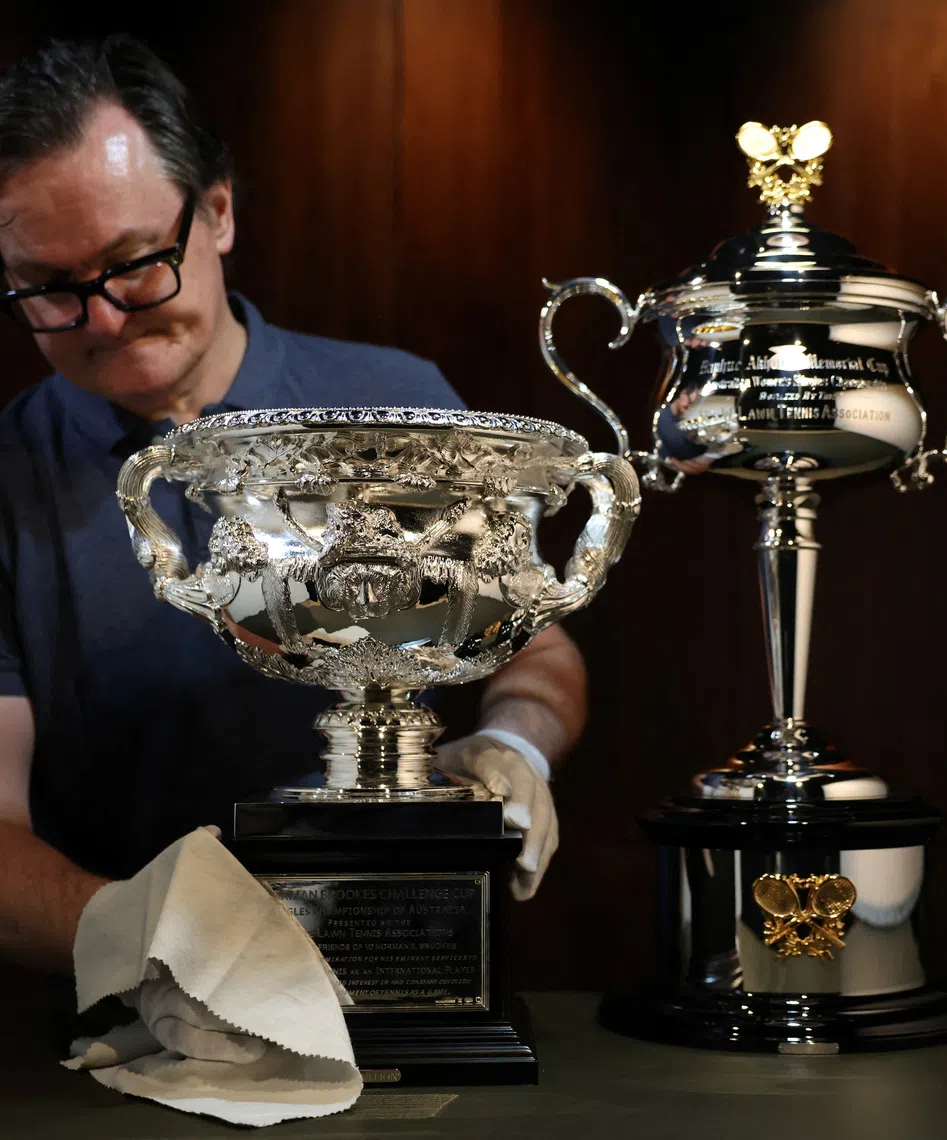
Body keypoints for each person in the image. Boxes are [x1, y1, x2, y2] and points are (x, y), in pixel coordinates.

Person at [0, 35, 584, 974]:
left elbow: (537, 646)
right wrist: (178, 948)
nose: (104, 319)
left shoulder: (401, 406)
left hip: (406, 962)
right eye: (50, 290)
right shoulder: (7, 475)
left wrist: (516, 743)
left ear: (218, 211)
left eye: (134, 263)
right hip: (122, 1006)